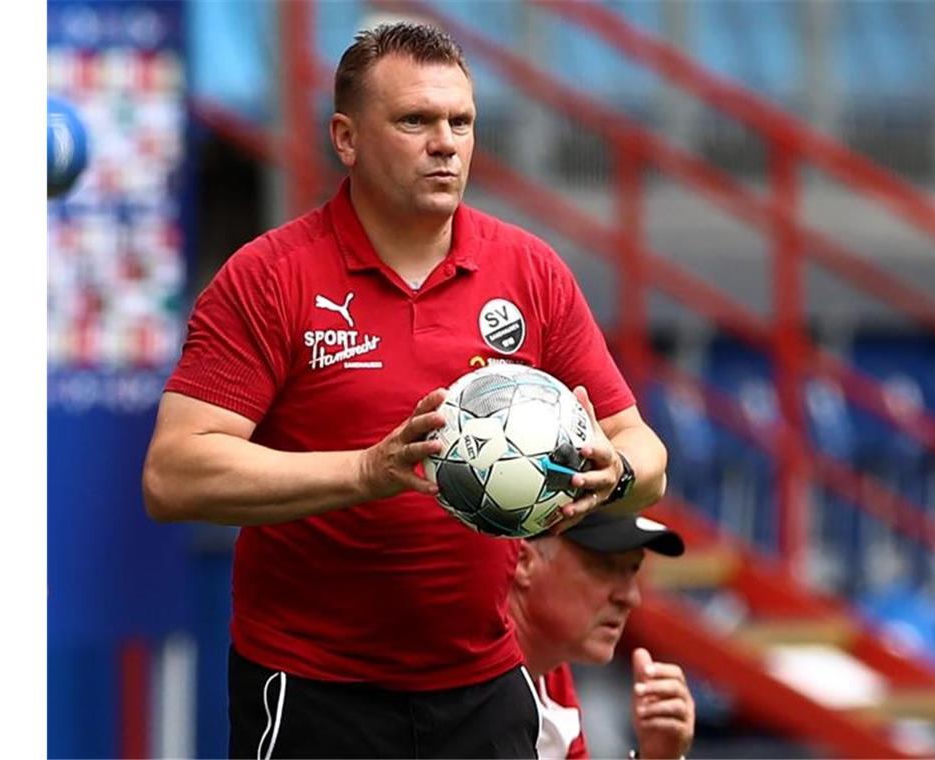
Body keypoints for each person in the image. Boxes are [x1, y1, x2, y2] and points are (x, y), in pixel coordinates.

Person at [141, 21, 668, 759]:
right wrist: (366, 471)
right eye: (415, 120)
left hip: (486, 683)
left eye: (461, 122)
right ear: (346, 139)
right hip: (313, 689)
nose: (445, 142)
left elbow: (643, 451)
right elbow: (174, 474)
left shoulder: (531, 272)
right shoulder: (269, 278)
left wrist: (616, 478)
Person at [510, 512, 695, 759]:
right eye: (604, 566)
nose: (630, 597)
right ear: (523, 562)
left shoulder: (551, 676)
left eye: (632, 570)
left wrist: (659, 756)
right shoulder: (462, 665)